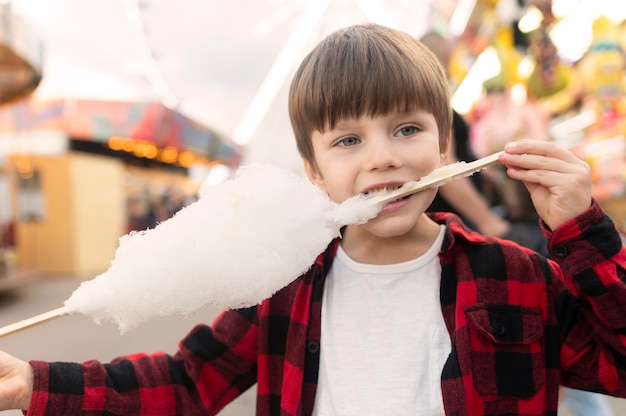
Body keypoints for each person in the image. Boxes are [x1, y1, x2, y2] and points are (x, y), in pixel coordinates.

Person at [1, 23, 626, 416]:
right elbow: (189, 382)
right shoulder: (285, 283)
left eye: (407, 129)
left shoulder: (517, 277)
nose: (383, 156)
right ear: (314, 172)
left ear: (444, 150)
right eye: (348, 141)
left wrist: (583, 237)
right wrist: (35, 383)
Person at [420, 31, 510, 238]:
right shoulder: (433, 105)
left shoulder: (430, 102)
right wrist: (486, 220)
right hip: (458, 217)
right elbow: (445, 171)